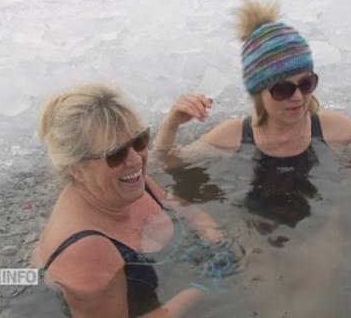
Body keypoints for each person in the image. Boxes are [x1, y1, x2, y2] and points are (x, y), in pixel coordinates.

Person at [153, 0, 351, 168]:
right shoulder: (235, 135)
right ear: (258, 92)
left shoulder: (330, 127)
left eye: (306, 84)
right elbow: (164, 165)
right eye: (282, 88)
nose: (297, 98)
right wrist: (171, 124)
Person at [34, 83, 225, 318]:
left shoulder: (124, 184)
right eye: (115, 154)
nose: (135, 160)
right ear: (77, 169)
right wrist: (200, 290)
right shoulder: (85, 250)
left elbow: (184, 208)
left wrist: (212, 235)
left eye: (139, 141)